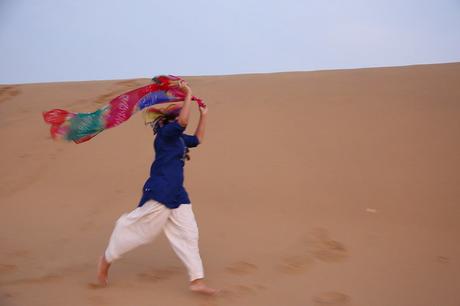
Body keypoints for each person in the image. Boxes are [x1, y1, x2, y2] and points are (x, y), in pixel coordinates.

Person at [96, 80, 218, 295]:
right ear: (168, 119)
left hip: (177, 194)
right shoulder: (166, 134)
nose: (178, 106)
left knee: (189, 234)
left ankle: (197, 280)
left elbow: (198, 139)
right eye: (175, 109)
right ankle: (106, 259)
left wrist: (205, 115)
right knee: (140, 232)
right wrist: (188, 92)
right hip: (161, 190)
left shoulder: (178, 138)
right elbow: (183, 121)